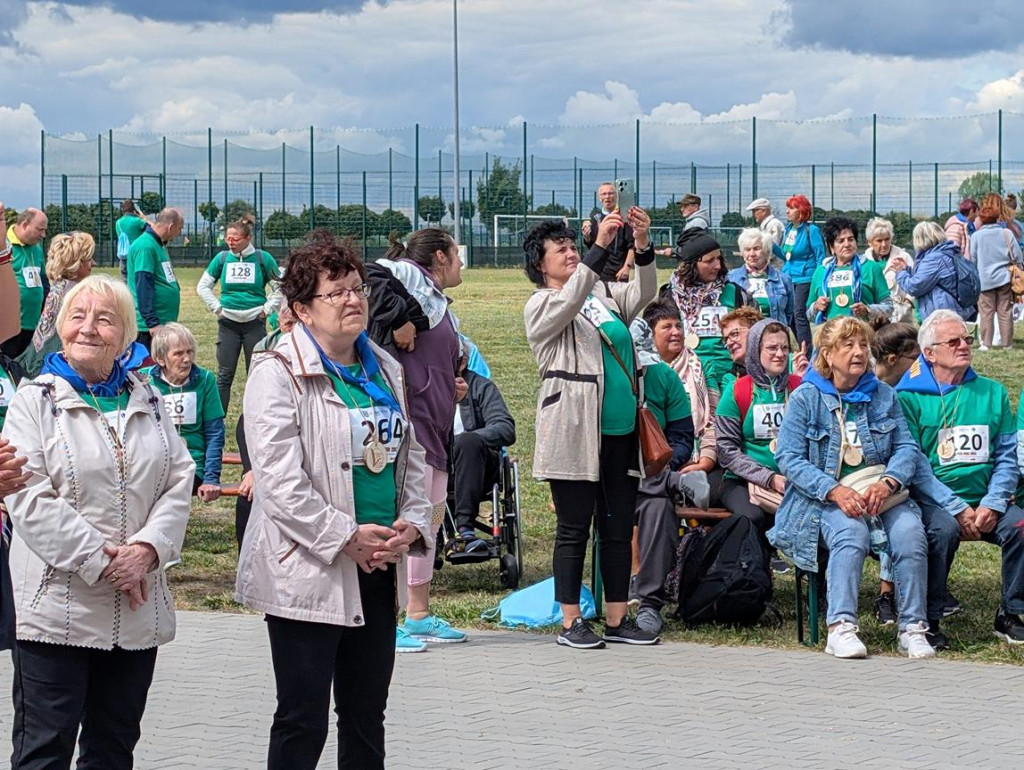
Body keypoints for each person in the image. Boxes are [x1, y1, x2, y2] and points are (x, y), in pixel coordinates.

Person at [236, 230, 432, 769]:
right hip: (309, 569)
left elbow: (410, 458)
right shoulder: (276, 372)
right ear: (300, 308)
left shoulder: (383, 367)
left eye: (357, 289)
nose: (353, 300)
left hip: (377, 561)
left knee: (367, 715)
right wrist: (345, 536)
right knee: (303, 719)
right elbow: (279, 482)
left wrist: (413, 522)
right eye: (336, 292)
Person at [3, 274, 194, 768]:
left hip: (136, 611)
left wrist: (148, 551)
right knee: (44, 749)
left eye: (105, 319)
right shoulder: (34, 400)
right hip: (55, 610)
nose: (89, 328)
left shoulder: (148, 398)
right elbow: (28, 495)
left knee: (113, 748)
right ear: (60, 327)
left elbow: (179, 477)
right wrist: (106, 562)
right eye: (78, 316)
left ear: (127, 335)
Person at [523, 208, 658, 649]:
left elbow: (645, 292)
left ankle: (618, 619)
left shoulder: (598, 293)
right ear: (540, 265)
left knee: (619, 527)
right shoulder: (542, 304)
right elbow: (569, 300)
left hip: (620, 431)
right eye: (557, 249)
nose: (567, 251)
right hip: (574, 431)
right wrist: (598, 247)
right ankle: (570, 621)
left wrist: (641, 244)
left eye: (570, 245)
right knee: (573, 526)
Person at [769, 316, 934, 659]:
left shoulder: (884, 395)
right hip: (825, 499)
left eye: (863, 345)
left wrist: (888, 482)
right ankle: (840, 627)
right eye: (848, 345)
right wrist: (833, 490)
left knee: (909, 533)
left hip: (881, 496)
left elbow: (907, 448)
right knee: (850, 534)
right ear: (828, 355)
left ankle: (912, 627)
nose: (859, 352)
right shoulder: (806, 398)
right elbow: (789, 458)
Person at [897, 309, 1024, 647]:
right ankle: (931, 617)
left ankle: (1010, 612)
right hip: (934, 502)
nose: (964, 346)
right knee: (941, 530)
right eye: (953, 342)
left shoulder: (992, 392)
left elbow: (1007, 456)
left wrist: (994, 502)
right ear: (929, 353)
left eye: (966, 339)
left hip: (985, 501)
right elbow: (914, 465)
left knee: (1022, 526)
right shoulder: (908, 396)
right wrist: (955, 507)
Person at [366, 228, 467, 652]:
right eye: (457, 255)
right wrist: (402, 317)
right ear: (440, 257)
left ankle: (419, 613)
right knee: (400, 520)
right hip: (410, 424)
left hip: (436, 423)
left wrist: (453, 384)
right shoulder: (406, 275)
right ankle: (385, 622)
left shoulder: (437, 299)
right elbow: (368, 275)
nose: (462, 263)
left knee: (426, 521)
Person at [629, 317, 696, 636]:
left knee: (659, 508)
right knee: (656, 492)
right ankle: (669, 483)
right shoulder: (600, 380)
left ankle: (649, 604)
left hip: (651, 474)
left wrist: (667, 464)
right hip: (609, 477)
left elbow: (683, 437)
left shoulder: (664, 376)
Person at [715, 320, 801, 551]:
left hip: (795, 480)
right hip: (742, 481)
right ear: (756, 351)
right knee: (752, 517)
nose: (780, 354)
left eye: (784, 348)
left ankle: (821, 583)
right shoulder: (737, 391)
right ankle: (754, 578)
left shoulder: (801, 388)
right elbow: (726, 450)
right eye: (772, 348)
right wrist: (769, 478)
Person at [197, 214, 283, 410]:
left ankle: (257, 419)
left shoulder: (263, 258)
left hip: (255, 323)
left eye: (235, 239)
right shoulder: (221, 259)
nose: (230, 242)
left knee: (256, 374)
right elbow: (203, 286)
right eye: (228, 238)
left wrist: (266, 310)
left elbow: (280, 287)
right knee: (224, 375)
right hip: (228, 324)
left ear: (247, 239)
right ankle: (217, 421)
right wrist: (217, 308)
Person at [643, 299, 722, 505]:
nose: (676, 332)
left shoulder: (703, 367)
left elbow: (714, 421)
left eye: (679, 325)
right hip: (653, 459)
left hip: (698, 454)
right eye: (667, 327)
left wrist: (706, 460)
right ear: (650, 335)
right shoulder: (644, 372)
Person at [662, 228, 751, 391]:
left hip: (731, 379)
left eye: (719, 259)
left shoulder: (737, 294)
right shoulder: (670, 296)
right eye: (710, 261)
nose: (717, 265)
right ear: (692, 264)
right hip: (686, 381)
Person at [146, 323, 225, 502]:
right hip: (154, 466)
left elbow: (215, 433)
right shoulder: (144, 381)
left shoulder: (205, 380)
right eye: (179, 353)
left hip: (191, 465)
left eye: (189, 352)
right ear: (160, 359)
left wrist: (211, 478)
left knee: (171, 489)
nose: (187, 359)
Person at [451, 345, 516, 548]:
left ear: (463, 361)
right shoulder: (425, 389)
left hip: (479, 468)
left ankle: (465, 529)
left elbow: (505, 428)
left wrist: (472, 439)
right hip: (439, 467)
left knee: (467, 441)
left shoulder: (481, 387)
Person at [18, 231, 96, 377]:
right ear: (76, 263)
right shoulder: (78, 294)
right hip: (57, 369)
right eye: (89, 259)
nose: (93, 264)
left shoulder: (59, 287)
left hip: (36, 363)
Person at [807, 216, 892, 327]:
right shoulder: (821, 271)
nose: (847, 244)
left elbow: (889, 308)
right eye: (840, 241)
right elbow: (809, 314)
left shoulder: (870, 267)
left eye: (851, 239)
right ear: (831, 246)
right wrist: (816, 307)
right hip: (831, 337)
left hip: (863, 336)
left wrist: (868, 310)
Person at [890, 221, 975, 322]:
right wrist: (907, 270)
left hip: (944, 314)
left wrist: (900, 272)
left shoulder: (934, 259)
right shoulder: (948, 252)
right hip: (956, 309)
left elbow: (915, 287)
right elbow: (926, 279)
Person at [127, 207, 184, 350]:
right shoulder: (145, 246)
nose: (180, 233)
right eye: (179, 229)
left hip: (162, 323)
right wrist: (152, 322)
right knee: (146, 370)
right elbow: (143, 284)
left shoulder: (158, 245)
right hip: (148, 328)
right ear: (170, 227)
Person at [971, 192, 1022, 351]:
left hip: (984, 280)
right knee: (1005, 312)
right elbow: (1018, 256)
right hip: (1005, 279)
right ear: (997, 217)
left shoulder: (977, 236)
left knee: (986, 313)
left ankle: (986, 343)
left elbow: (972, 259)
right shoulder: (1006, 233)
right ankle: (1007, 344)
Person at [773, 194, 825, 352]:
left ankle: (807, 352)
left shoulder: (812, 230)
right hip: (789, 277)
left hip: (805, 278)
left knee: (799, 312)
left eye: (792, 208)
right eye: (787, 208)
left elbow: (820, 256)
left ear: (801, 210)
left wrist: (817, 279)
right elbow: (786, 255)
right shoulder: (789, 229)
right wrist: (772, 245)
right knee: (791, 316)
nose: (787, 211)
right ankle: (802, 347)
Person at [1, 208, 48, 358]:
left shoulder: (37, 249)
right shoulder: (4, 245)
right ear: (25, 224)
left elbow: (43, 281)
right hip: (10, 328)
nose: (43, 235)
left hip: (33, 325)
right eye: (39, 229)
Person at [727, 227, 795, 327]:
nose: (752, 254)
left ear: (767, 251)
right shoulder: (731, 279)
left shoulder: (784, 279)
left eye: (756, 248)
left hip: (774, 336)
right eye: (747, 249)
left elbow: (789, 314)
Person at [863, 217, 915, 323]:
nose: (884, 244)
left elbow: (916, 281)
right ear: (869, 242)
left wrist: (908, 301)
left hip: (900, 316)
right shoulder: (863, 262)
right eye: (879, 240)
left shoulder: (903, 256)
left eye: (887, 239)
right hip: (874, 316)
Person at [581, 182, 635, 282]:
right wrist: (586, 236)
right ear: (599, 197)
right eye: (604, 194)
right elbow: (592, 245)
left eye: (610, 193)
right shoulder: (595, 217)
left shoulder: (624, 216)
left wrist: (627, 267)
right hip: (597, 271)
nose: (607, 197)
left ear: (616, 196)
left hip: (617, 272)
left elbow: (632, 246)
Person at [718, 306, 763, 388]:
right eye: (726, 339)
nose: (729, 343)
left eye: (734, 334)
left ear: (755, 332)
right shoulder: (730, 379)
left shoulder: (787, 363)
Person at [115, 200, 148, 280]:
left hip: (124, 253)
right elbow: (149, 228)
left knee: (124, 277)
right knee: (137, 276)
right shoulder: (138, 221)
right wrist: (142, 216)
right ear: (133, 209)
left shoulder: (118, 222)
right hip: (137, 253)